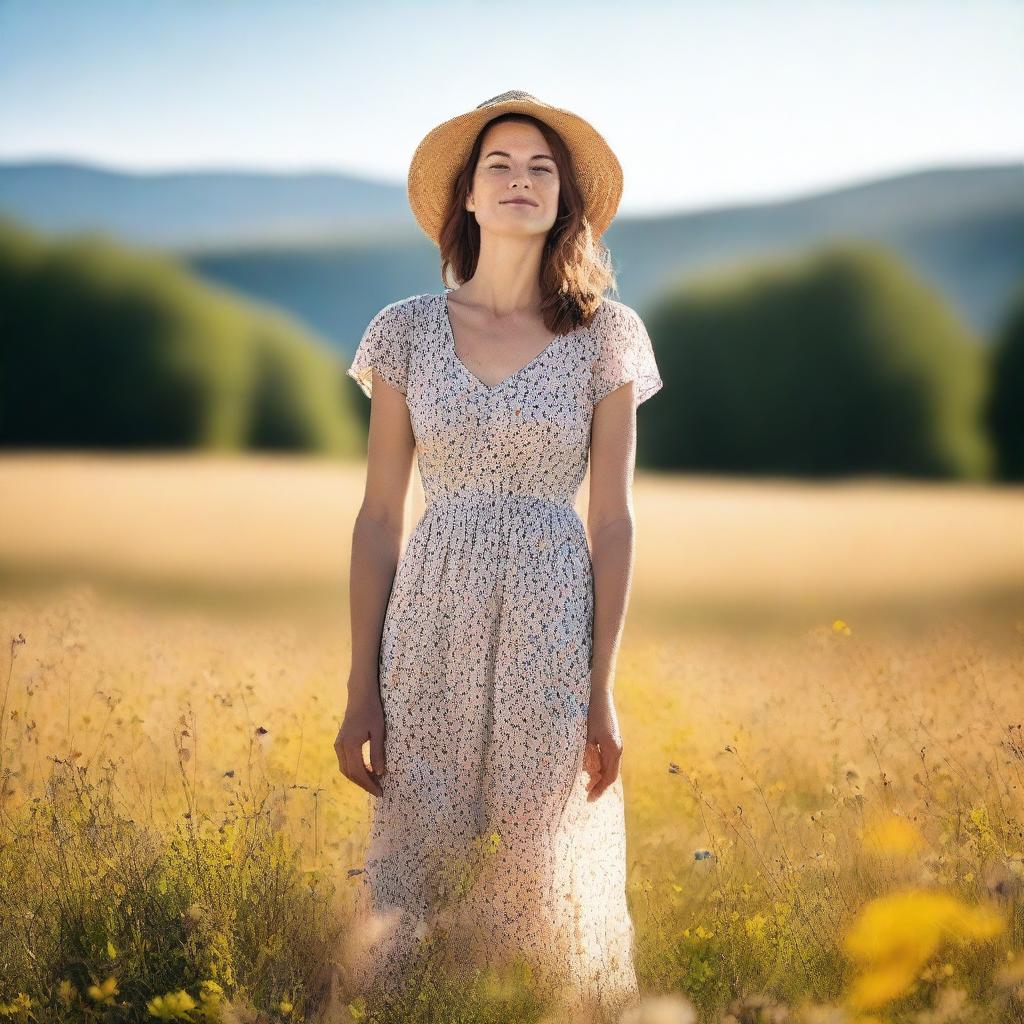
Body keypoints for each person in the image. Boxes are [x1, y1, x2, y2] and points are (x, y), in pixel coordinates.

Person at [334, 90, 663, 1021]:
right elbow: (377, 518)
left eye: (541, 169)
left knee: (535, 844)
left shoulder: (608, 336)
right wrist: (360, 685)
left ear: (565, 202)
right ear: (467, 200)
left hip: (554, 616)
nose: (520, 182)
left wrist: (603, 685)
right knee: (419, 840)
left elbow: (613, 521)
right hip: (429, 609)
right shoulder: (403, 329)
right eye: (499, 167)